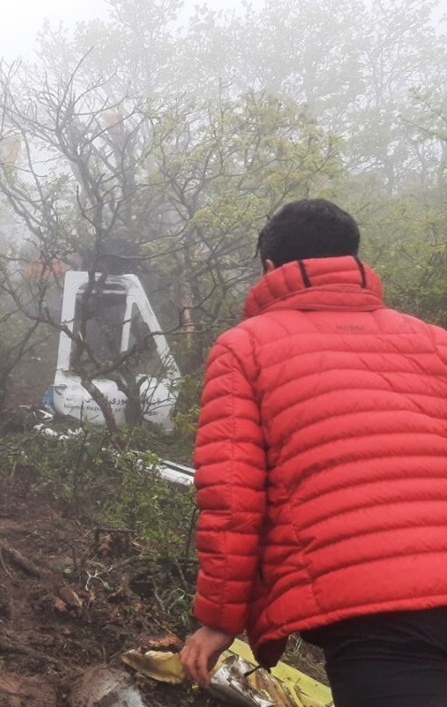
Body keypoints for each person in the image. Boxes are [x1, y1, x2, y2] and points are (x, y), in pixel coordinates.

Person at [179, 199, 447, 706]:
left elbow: (233, 497)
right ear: (353, 259)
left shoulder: (245, 347)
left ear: (269, 267)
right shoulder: (436, 343)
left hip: (375, 612)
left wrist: (219, 618)